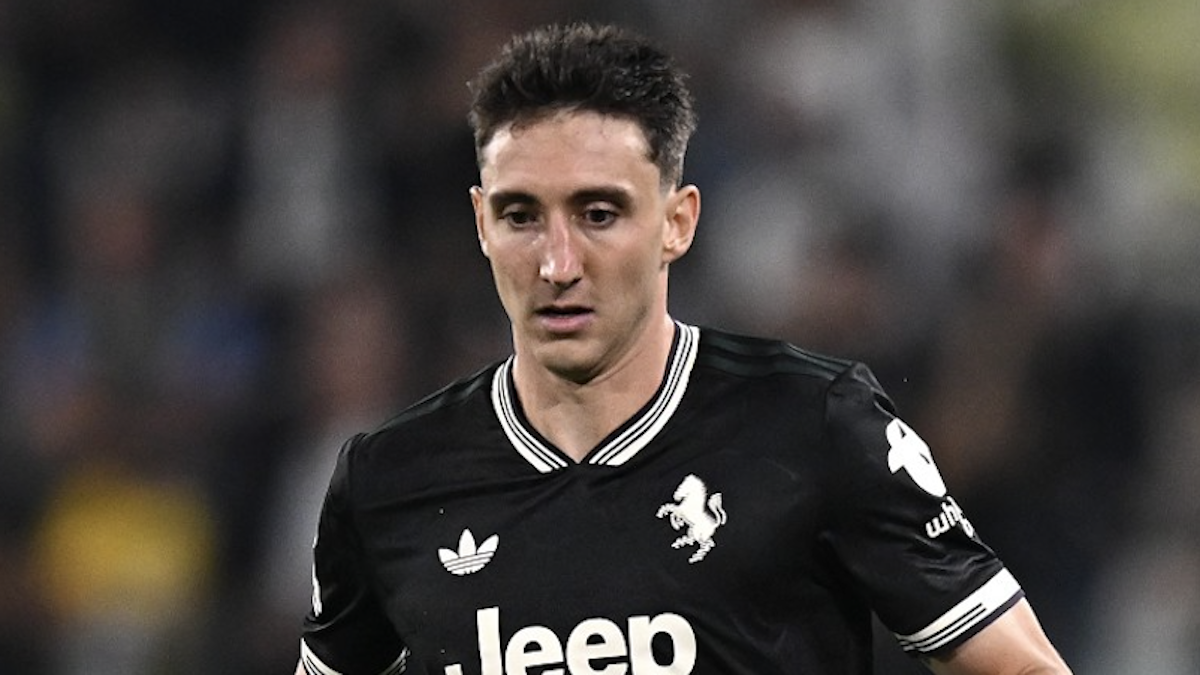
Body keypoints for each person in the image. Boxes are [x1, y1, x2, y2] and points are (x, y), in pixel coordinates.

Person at [296, 22, 1072, 675]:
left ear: (677, 222)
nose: (558, 263)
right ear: (480, 224)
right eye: (521, 215)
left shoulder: (811, 425)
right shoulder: (390, 480)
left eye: (599, 214)